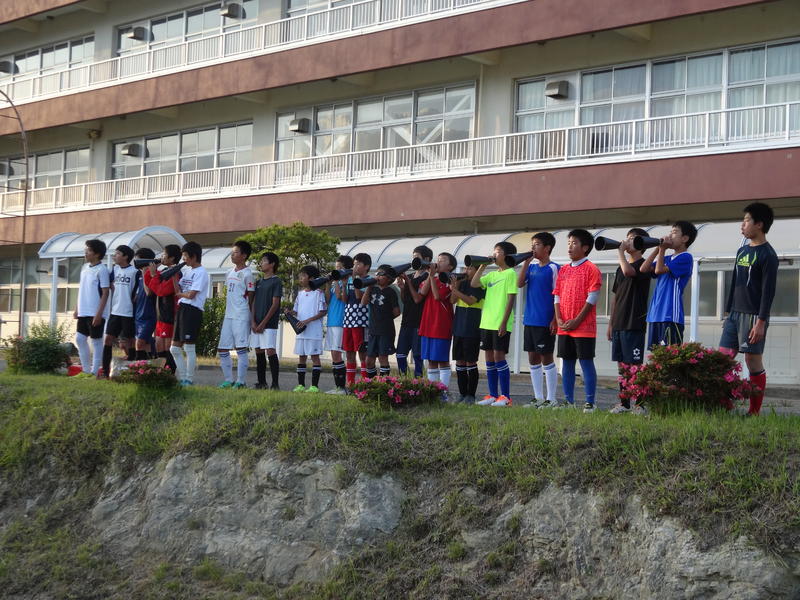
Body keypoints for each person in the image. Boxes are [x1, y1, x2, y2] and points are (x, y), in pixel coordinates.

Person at [719, 202, 779, 416]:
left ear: (759, 224)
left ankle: (754, 412)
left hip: (754, 316)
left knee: (752, 361)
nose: (742, 225)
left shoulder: (768, 255)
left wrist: (761, 322)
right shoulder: (742, 250)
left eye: (746, 221)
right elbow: (735, 282)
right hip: (734, 314)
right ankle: (724, 405)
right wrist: (728, 312)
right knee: (722, 360)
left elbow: (768, 292)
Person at [553, 229, 602, 412]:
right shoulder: (564, 270)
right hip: (564, 325)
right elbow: (557, 295)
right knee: (567, 362)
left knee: (586, 362)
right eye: (569, 243)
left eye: (574, 243)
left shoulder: (592, 269)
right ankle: (569, 401)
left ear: (585, 247)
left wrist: (577, 320)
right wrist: (559, 318)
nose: (570, 247)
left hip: (584, 327)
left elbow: (593, 297)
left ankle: (590, 402)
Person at [607, 229, 651, 414]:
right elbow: (615, 297)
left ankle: (640, 404)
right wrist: (611, 323)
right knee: (622, 365)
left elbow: (629, 271)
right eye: (627, 238)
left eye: (632, 239)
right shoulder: (620, 267)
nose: (627, 242)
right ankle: (624, 404)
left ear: (641, 244)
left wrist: (620, 252)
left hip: (634, 322)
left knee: (634, 365)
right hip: (619, 322)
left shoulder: (644, 265)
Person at [471, 241, 518, 407]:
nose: (494, 254)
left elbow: (511, 299)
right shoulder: (492, 274)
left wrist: (504, 322)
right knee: (489, 358)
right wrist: (482, 266)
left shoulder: (511, 273)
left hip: (500, 323)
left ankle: (505, 397)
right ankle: (492, 395)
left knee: (499, 357)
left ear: (506, 255)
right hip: (487, 322)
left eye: (497, 251)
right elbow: (474, 283)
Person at [517, 232, 559, 408]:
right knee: (532, 358)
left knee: (546, 358)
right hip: (530, 320)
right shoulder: (531, 267)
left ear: (547, 248)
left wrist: (555, 319)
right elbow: (519, 283)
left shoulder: (554, 268)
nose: (533, 247)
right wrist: (526, 263)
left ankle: (551, 399)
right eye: (532, 244)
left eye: (537, 244)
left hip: (545, 321)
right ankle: (538, 398)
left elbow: (558, 295)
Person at [642, 220, 698, 348]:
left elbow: (658, 270)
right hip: (655, 314)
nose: (670, 236)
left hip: (670, 314)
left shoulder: (685, 257)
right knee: (656, 354)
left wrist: (662, 249)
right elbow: (644, 269)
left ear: (684, 238)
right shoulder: (666, 258)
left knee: (670, 353)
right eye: (670, 232)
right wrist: (657, 248)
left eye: (674, 232)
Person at [170, 241, 210, 386]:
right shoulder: (188, 272)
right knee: (174, 348)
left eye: (185, 256)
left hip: (192, 310)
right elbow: (178, 291)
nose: (183, 259)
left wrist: (181, 294)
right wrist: (173, 276)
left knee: (189, 347)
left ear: (194, 256)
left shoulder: (202, 273)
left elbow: (191, 295)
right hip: (182, 309)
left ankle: (189, 379)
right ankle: (182, 378)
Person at [218, 240, 255, 389]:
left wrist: (252, 318)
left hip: (241, 315)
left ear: (244, 255)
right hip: (229, 315)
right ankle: (228, 380)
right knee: (223, 348)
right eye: (232, 252)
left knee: (240, 348)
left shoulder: (248, 274)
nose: (232, 255)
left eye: (236, 252)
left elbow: (251, 297)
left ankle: (241, 381)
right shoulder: (229, 272)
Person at [419, 252, 456, 399]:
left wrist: (432, 277)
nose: (438, 262)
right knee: (431, 360)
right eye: (438, 260)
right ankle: (432, 393)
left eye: (442, 260)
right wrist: (430, 276)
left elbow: (437, 296)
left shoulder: (450, 281)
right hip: (427, 324)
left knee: (442, 360)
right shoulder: (431, 278)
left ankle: (443, 393)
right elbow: (422, 292)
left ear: (450, 266)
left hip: (441, 325)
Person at [73, 239, 110, 377]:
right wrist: (77, 308)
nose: (85, 252)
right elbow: (82, 289)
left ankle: (94, 372)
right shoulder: (84, 268)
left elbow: (105, 292)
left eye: (88, 250)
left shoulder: (102, 270)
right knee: (79, 339)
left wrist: (99, 314)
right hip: (83, 311)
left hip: (95, 312)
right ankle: (86, 370)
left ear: (97, 254)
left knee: (96, 341)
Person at [101, 245, 138, 379]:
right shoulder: (115, 269)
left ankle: (133, 371)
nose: (114, 256)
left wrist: (132, 300)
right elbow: (109, 283)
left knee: (130, 341)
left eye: (117, 254)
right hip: (115, 311)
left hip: (128, 312)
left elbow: (137, 292)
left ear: (125, 256)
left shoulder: (134, 272)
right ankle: (105, 371)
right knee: (108, 339)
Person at [144, 244, 182, 374]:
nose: (161, 257)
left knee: (166, 346)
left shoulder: (176, 272)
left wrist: (154, 275)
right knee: (158, 344)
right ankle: (162, 372)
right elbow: (150, 284)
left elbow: (161, 291)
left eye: (164, 254)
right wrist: (151, 271)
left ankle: (170, 372)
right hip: (160, 314)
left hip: (169, 315)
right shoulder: (165, 270)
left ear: (172, 258)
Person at [450, 266, 484, 404]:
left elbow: (471, 301)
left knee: (471, 361)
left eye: (470, 268)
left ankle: (471, 395)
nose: (466, 271)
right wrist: (456, 285)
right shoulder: (462, 283)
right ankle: (462, 394)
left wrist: (455, 290)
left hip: (472, 329)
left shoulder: (479, 284)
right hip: (458, 328)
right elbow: (452, 300)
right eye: (466, 268)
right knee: (459, 362)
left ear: (477, 270)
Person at [395, 245, 431, 377]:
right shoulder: (409, 276)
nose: (414, 260)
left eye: (417, 257)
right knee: (400, 354)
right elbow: (405, 300)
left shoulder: (427, 277)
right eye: (413, 257)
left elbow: (417, 299)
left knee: (417, 355)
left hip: (419, 321)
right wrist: (402, 288)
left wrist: (408, 283)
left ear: (426, 259)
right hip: (406, 321)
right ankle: (404, 380)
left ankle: (418, 381)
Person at [290, 265, 327, 392]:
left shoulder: (319, 293)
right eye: (300, 276)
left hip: (314, 332)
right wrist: (290, 312)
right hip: (301, 332)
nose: (300, 279)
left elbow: (323, 312)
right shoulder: (300, 294)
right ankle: (301, 385)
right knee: (302, 357)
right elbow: (296, 311)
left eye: (303, 276)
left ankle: (314, 386)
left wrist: (307, 320)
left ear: (311, 278)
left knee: (315, 357)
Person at [361, 265, 400, 379]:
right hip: (373, 330)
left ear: (388, 278)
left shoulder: (391, 291)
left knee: (383, 357)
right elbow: (363, 302)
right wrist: (369, 287)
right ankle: (372, 383)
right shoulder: (372, 289)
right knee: (369, 360)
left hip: (385, 330)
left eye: (381, 274)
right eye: (377, 274)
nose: (377, 276)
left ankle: (384, 383)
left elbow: (397, 312)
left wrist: (385, 318)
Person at [251, 252, 282, 390]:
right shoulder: (258, 282)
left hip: (269, 324)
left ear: (272, 264)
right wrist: (253, 321)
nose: (261, 263)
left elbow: (275, 304)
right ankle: (261, 382)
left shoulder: (276, 281)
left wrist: (263, 323)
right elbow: (253, 302)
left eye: (264, 261)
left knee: (270, 350)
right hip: (256, 323)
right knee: (258, 351)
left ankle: (275, 384)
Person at [342, 252, 371, 386]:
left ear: (366, 266)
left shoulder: (369, 280)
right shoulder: (349, 280)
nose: (355, 267)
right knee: (349, 352)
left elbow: (359, 297)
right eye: (354, 264)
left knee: (362, 352)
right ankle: (350, 383)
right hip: (348, 320)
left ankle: (365, 383)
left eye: (358, 264)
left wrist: (354, 278)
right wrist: (344, 285)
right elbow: (345, 299)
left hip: (361, 320)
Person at [325, 255, 352, 394]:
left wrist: (336, 281)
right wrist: (328, 283)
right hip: (331, 321)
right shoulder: (335, 283)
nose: (336, 270)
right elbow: (328, 300)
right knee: (333, 354)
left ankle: (342, 387)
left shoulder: (348, 281)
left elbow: (339, 296)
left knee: (337, 354)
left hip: (340, 321)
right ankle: (338, 387)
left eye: (339, 268)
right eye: (335, 268)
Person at [132, 247, 158, 361]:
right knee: (145, 344)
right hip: (139, 314)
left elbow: (149, 293)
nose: (137, 263)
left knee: (139, 343)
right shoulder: (138, 275)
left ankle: (138, 366)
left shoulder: (153, 274)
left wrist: (145, 273)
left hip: (149, 314)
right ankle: (147, 367)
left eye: (138, 260)